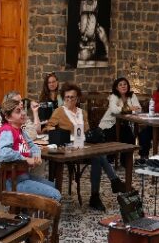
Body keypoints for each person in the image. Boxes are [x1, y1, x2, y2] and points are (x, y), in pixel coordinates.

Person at [47, 83, 122, 211]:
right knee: (98, 156)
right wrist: (63, 134)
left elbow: (86, 132)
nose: (69, 100)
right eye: (67, 97)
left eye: (72, 97)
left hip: (83, 146)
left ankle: (96, 196)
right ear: (64, 98)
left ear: (77, 99)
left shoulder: (83, 112)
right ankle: (111, 183)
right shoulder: (59, 111)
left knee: (97, 156)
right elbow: (48, 127)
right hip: (69, 148)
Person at [0, 98, 61, 201]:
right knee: (55, 195)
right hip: (12, 182)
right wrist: (25, 159)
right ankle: (30, 216)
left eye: (22, 110)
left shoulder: (20, 130)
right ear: (8, 117)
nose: (23, 113)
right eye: (18, 111)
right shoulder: (7, 130)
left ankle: (26, 215)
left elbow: (33, 146)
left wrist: (36, 155)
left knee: (54, 186)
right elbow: (3, 154)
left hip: (23, 177)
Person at [99, 77, 141, 144]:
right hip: (110, 125)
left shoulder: (132, 95)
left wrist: (131, 110)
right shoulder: (114, 96)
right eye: (120, 85)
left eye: (125, 84)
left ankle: (127, 154)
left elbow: (138, 109)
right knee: (113, 142)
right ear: (117, 88)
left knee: (131, 140)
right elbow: (114, 110)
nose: (123, 86)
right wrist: (130, 109)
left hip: (124, 125)